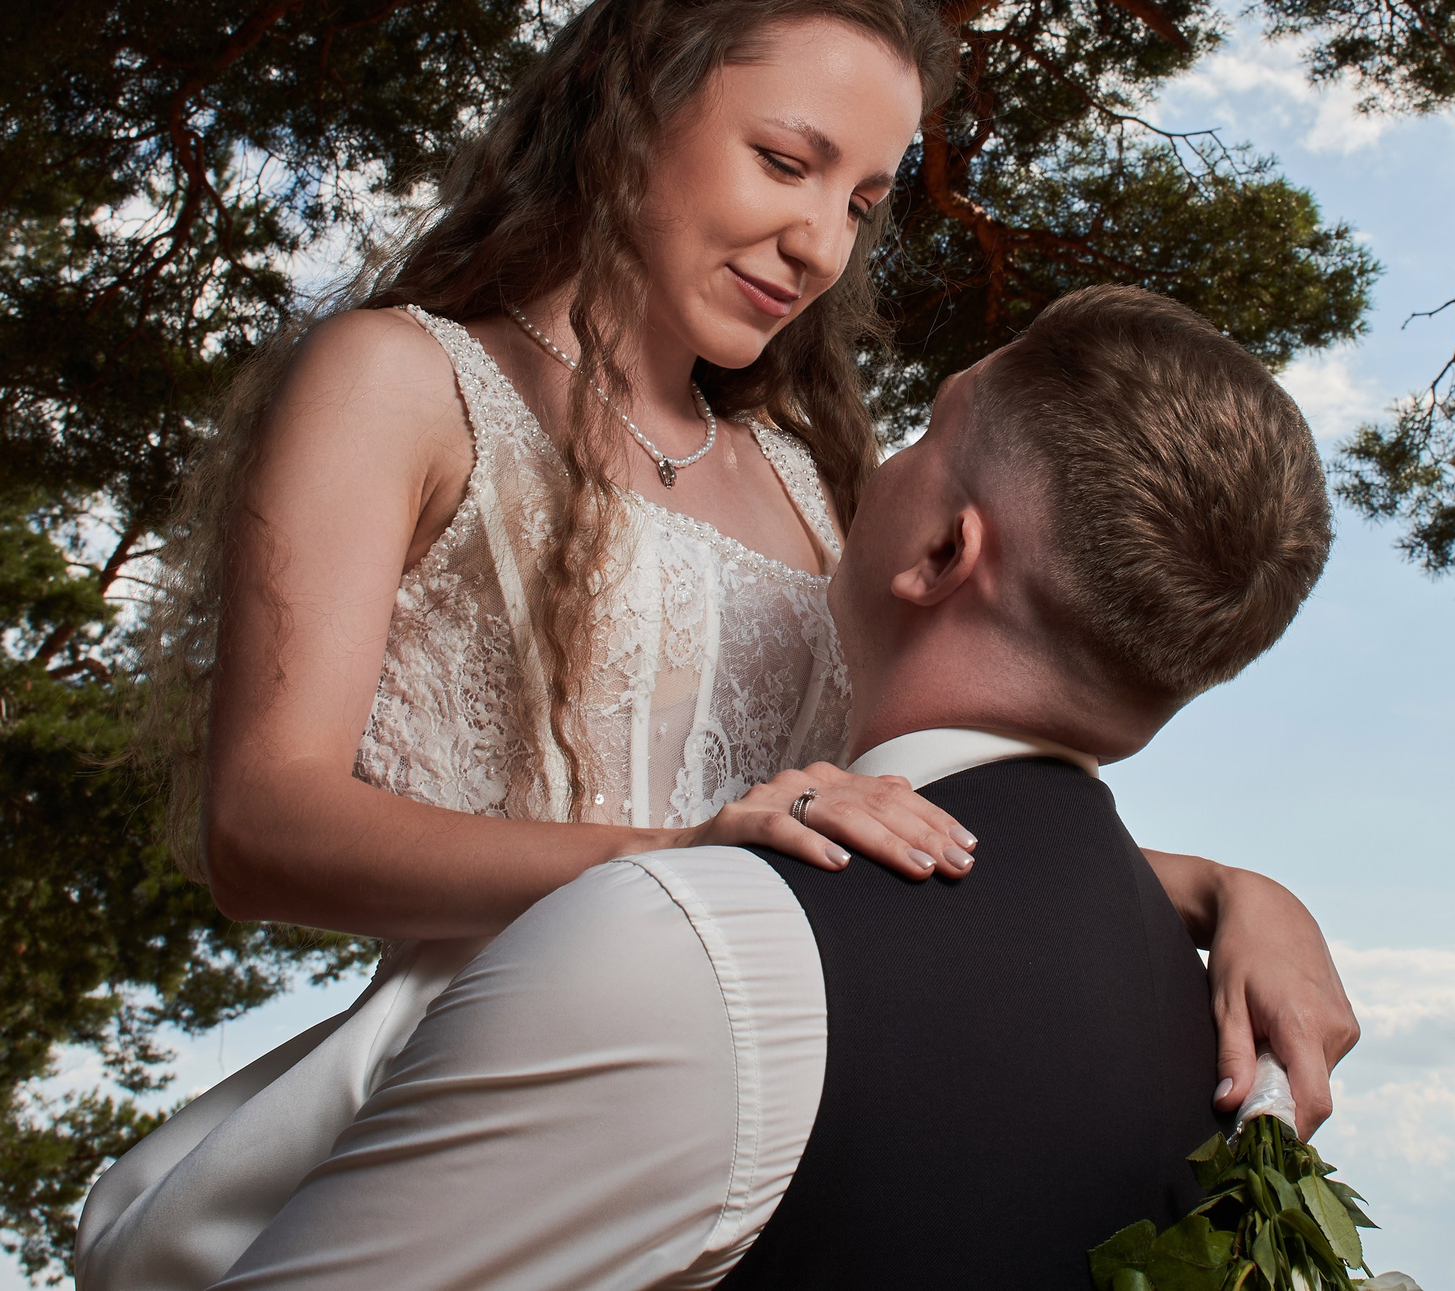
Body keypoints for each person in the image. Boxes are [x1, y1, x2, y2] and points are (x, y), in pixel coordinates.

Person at [77, 0, 1356, 1290]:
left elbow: (888, 847)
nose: (819, 243)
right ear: (626, 102)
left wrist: (1225, 887)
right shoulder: (402, 380)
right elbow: (265, 823)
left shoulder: (816, 482)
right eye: (785, 160)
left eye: (862, 203)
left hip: (768, 1138)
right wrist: (676, 857)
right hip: (497, 1095)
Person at [184, 285, 1338, 1290]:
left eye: (927, 432)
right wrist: (1230, 884)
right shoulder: (1223, 1060)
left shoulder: (684, 941)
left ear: (942, 552)